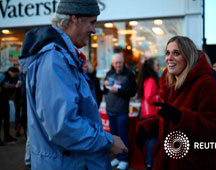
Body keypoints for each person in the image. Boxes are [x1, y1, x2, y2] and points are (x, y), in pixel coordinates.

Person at [18, 0, 127, 169]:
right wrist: (108, 141)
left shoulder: (61, 56)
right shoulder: (54, 59)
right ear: (75, 19)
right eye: (91, 22)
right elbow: (62, 127)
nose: (93, 30)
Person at [136, 36, 216, 170]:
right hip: (166, 161)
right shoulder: (172, 85)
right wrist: (147, 128)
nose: (169, 58)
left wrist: (181, 117)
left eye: (176, 53)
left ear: (188, 57)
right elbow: (168, 118)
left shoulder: (206, 84)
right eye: (167, 53)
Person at [103, 53, 137, 170]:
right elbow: (104, 91)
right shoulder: (109, 73)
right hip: (110, 109)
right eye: (116, 63)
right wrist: (105, 85)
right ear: (112, 64)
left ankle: (124, 159)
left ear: (123, 62)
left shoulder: (129, 74)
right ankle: (117, 157)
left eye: (120, 63)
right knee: (114, 136)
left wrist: (119, 91)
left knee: (123, 136)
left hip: (122, 110)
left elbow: (133, 92)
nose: (118, 65)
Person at [136, 57, 163, 170]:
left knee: (151, 141)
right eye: (157, 65)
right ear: (152, 67)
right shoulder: (151, 80)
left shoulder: (148, 79)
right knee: (152, 140)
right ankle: (149, 164)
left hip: (147, 113)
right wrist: (161, 98)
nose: (159, 67)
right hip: (150, 114)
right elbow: (149, 97)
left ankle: (149, 163)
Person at [0, 66, 19, 145]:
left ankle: (7, 136)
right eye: (15, 74)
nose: (15, 75)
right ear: (11, 72)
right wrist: (13, 86)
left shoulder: (11, 78)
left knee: (6, 119)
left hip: (5, 100)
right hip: (0, 101)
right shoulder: (2, 76)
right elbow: (4, 86)